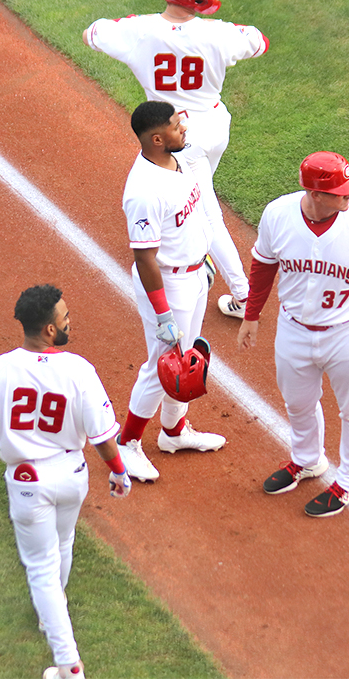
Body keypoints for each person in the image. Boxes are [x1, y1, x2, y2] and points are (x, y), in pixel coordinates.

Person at [0, 284, 131, 679]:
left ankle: (69, 666)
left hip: (28, 481)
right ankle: (48, 617)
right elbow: (102, 436)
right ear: (49, 330)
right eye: (64, 318)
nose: (69, 321)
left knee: (40, 568)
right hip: (72, 476)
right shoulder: (79, 370)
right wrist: (118, 471)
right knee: (62, 544)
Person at [83, 0, 268, 321]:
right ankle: (197, 248)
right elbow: (258, 41)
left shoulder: (139, 31)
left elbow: (92, 33)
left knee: (206, 211)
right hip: (213, 127)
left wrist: (136, 28)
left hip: (178, 138)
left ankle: (244, 295)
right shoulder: (218, 33)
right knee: (200, 198)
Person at [237, 151, 349, 517]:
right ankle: (308, 460)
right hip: (293, 329)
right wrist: (252, 315)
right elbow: (263, 266)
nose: (348, 196)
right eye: (340, 191)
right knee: (297, 402)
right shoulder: (278, 215)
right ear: (314, 192)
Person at [116, 100, 227, 483]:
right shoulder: (144, 192)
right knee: (162, 364)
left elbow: (191, 218)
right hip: (168, 284)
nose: (185, 131)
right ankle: (127, 443)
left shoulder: (174, 161)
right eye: (178, 128)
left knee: (188, 358)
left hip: (194, 274)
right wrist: (162, 313)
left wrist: (204, 258)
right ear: (158, 139)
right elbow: (145, 257)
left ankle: (174, 432)